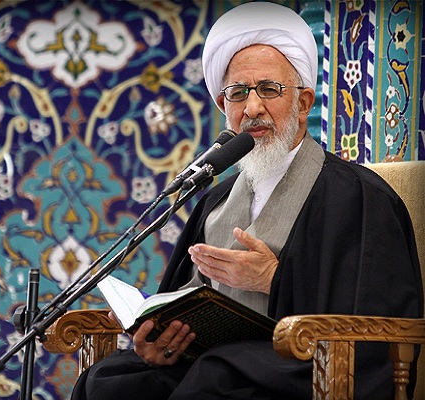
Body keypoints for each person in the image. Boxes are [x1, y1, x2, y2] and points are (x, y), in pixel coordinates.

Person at [71, 2, 423, 399]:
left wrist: (275, 280)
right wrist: (160, 339)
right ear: (224, 107)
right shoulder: (215, 200)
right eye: (238, 94)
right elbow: (181, 302)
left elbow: (375, 326)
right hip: (216, 362)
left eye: (269, 90)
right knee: (110, 381)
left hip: (308, 368)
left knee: (214, 378)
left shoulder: (358, 197)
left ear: (304, 103)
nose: (252, 108)